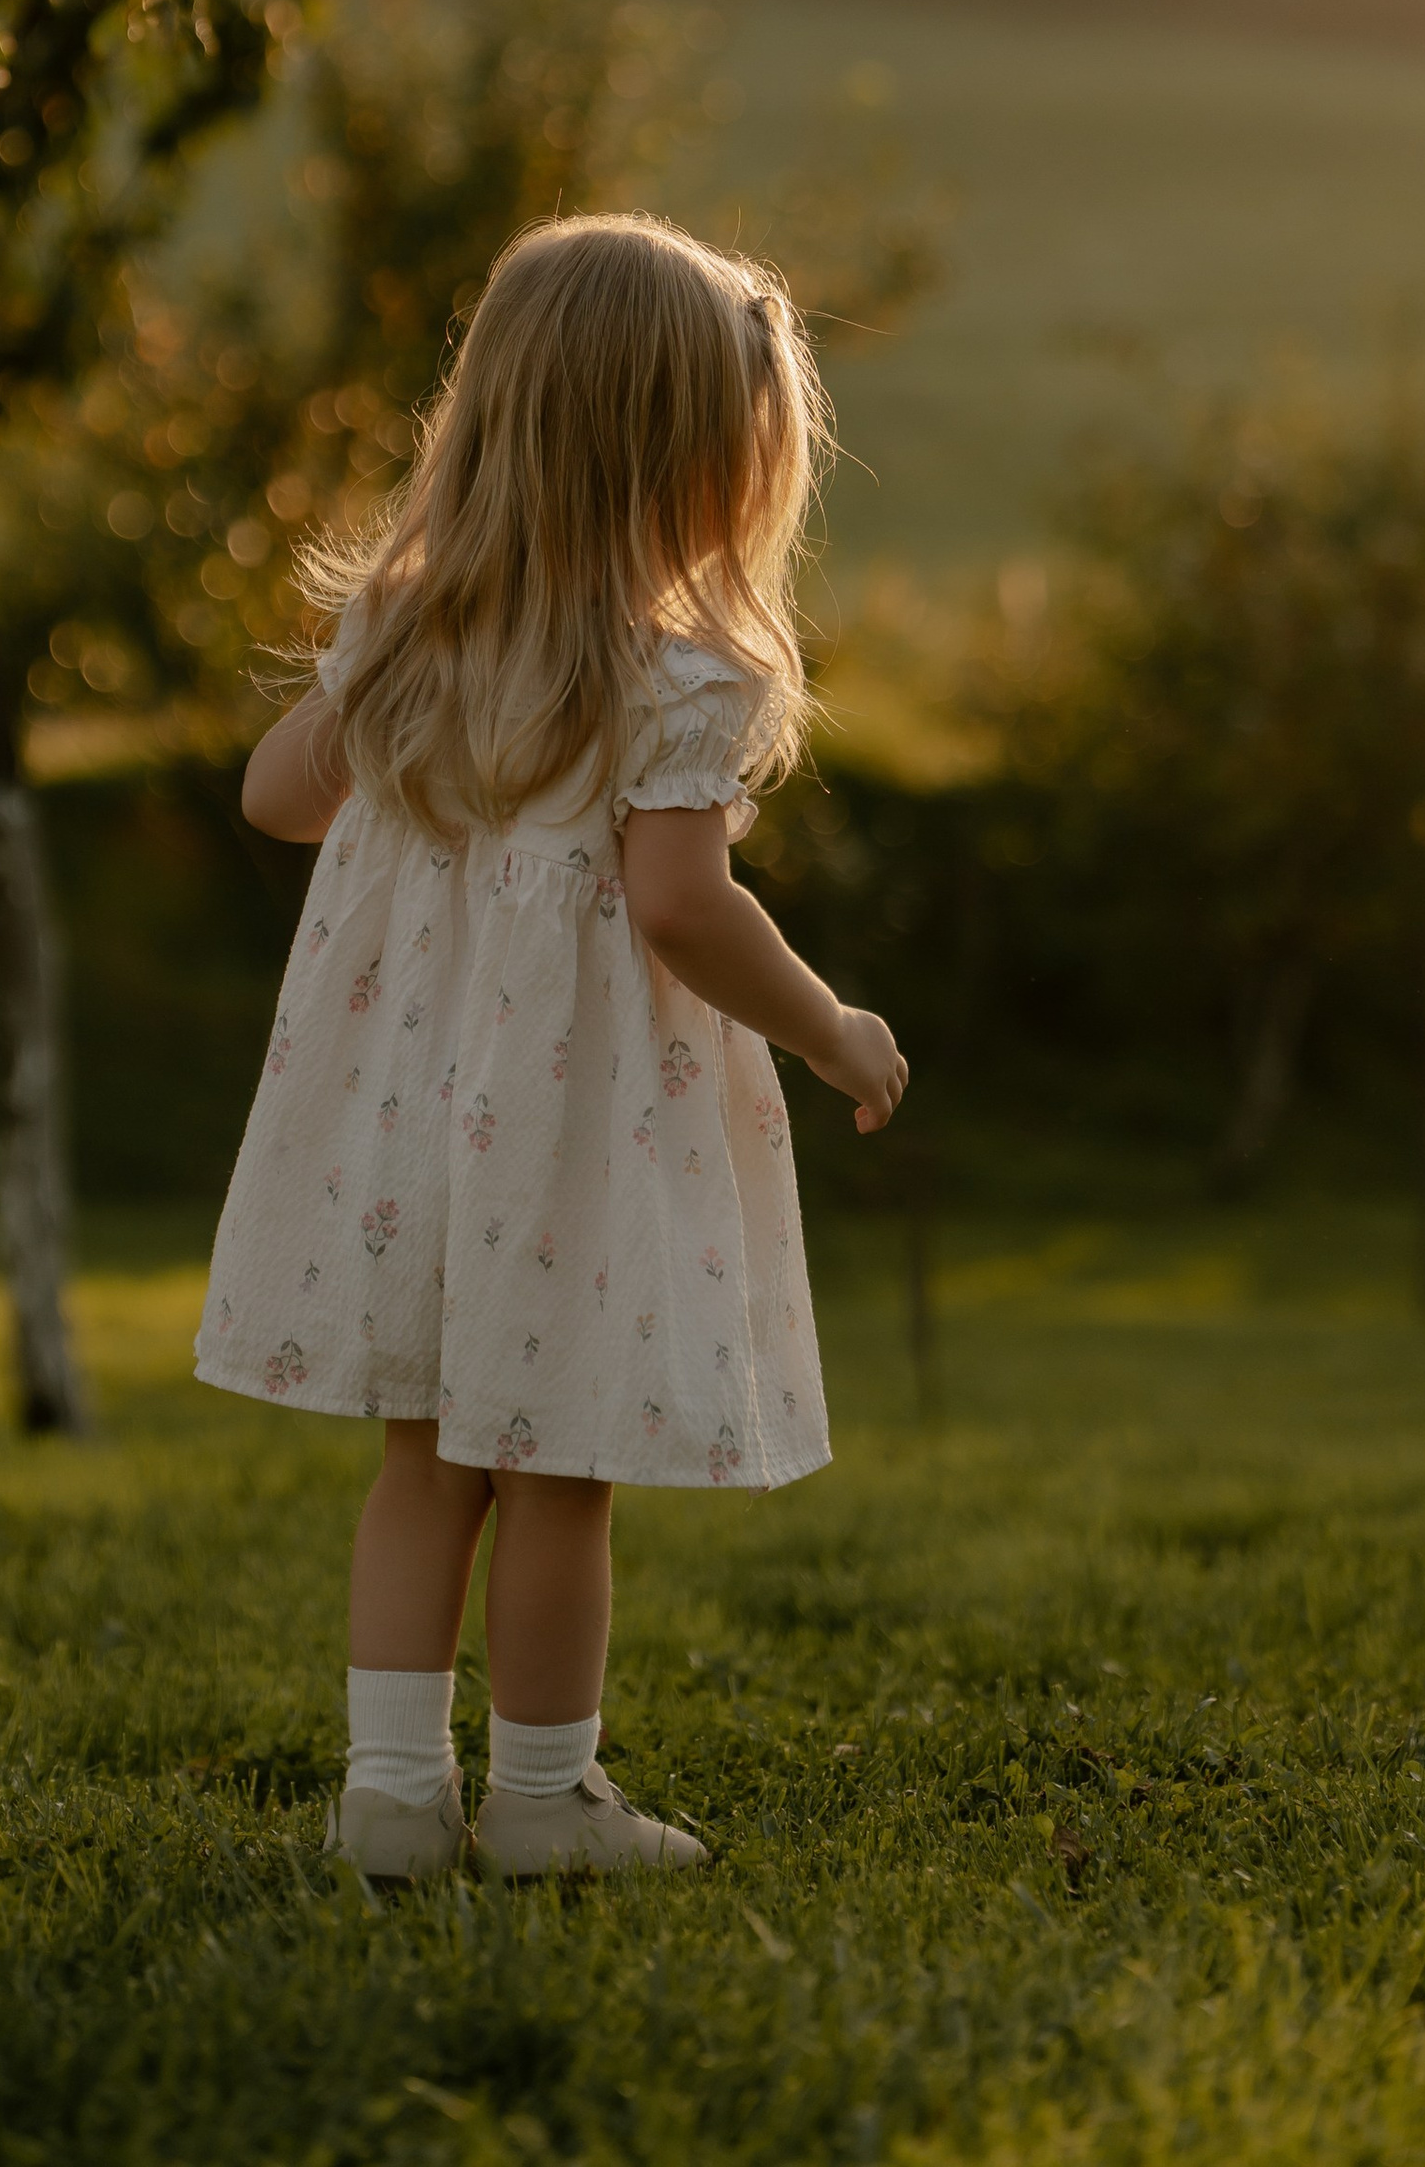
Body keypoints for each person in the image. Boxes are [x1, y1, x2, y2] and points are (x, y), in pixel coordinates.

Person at [195, 212, 908, 1882]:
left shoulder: (413, 634)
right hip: (580, 1128)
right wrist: (832, 1029)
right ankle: (535, 1798)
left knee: (426, 1457)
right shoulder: (678, 674)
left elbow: (271, 799)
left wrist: (374, 665)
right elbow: (679, 902)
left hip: (413, 1123)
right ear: (684, 457)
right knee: (559, 1467)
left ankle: (387, 1791)